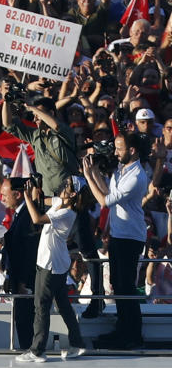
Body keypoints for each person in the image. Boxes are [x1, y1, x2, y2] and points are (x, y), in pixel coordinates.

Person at [82, 133, 149, 349]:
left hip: (131, 237)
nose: (115, 152)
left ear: (132, 150)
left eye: (119, 148)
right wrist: (93, 172)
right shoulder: (122, 170)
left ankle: (133, 334)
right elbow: (109, 191)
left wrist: (88, 175)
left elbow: (104, 201)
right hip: (119, 235)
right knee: (118, 285)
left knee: (126, 287)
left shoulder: (136, 175)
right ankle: (123, 329)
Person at [15, 176, 86, 363]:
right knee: (63, 304)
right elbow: (43, 199)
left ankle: (37, 350)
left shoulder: (67, 214)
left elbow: (37, 218)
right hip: (56, 263)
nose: (62, 187)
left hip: (50, 264)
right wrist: (35, 191)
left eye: (66, 186)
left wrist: (27, 199)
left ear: (72, 194)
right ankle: (77, 343)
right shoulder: (60, 203)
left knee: (41, 307)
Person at [0, 178, 41, 349]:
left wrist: (23, 281)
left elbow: (28, 251)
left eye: (4, 194)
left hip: (25, 281)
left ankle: (31, 351)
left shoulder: (27, 216)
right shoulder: (19, 214)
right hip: (16, 278)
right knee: (21, 320)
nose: (1, 198)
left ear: (17, 194)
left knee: (25, 320)